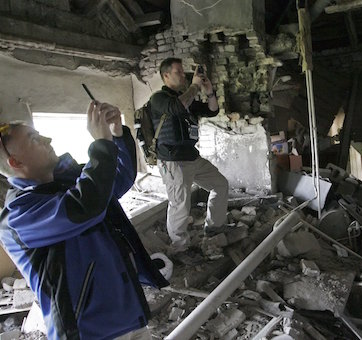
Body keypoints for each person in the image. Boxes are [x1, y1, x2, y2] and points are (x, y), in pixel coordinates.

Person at [0, 101, 169, 340]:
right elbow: (84, 207)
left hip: (127, 312)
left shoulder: (68, 181)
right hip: (91, 330)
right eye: (34, 139)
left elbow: (119, 179)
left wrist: (116, 134)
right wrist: (100, 144)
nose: (47, 140)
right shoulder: (19, 215)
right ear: (15, 162)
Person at [150, 57, 229, 254]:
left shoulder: (187, 98)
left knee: (220, 184)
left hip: (192, 157)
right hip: (172, 160)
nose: (183, 75)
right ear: (166, 75)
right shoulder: (159, 99)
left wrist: (208, 91)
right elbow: (177, 107)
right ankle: (179, 248)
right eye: (178, 72)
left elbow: (212, 111)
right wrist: (194, 87)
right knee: (179, 204)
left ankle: (213, 228)